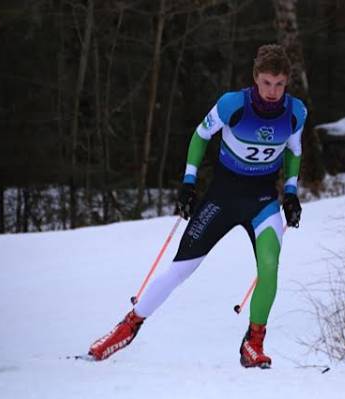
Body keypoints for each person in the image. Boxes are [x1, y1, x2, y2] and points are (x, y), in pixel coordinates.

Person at [88, 44, 306, 369]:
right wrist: (189, 182)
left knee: (269, 269)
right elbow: (200, 136)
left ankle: (253, 344)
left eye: (278, 84)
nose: (272, 91)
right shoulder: (233, 104)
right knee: (180, 269)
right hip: (222, 198)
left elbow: (293, 150)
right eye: (266, 82)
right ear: (255, 79)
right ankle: (127, 328)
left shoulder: (295, 112)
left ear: (286, 81)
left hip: (262, 202)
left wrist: (290, 191)